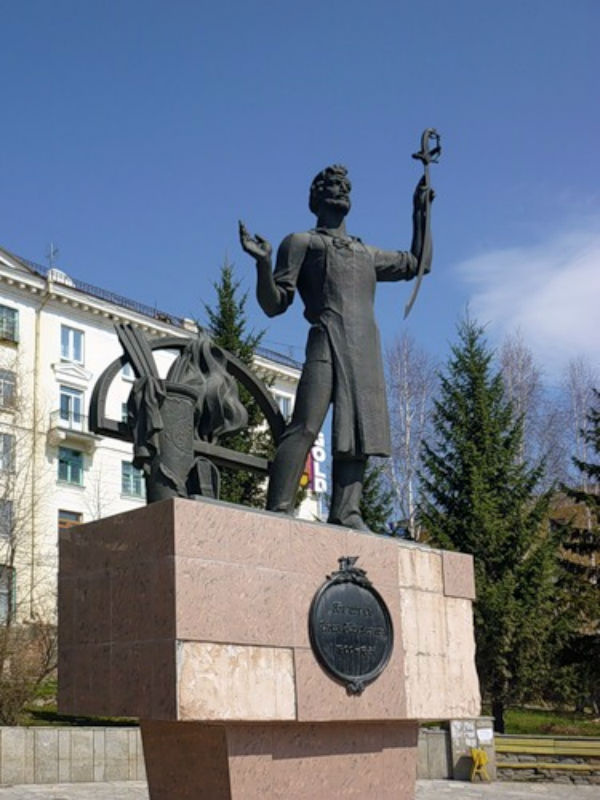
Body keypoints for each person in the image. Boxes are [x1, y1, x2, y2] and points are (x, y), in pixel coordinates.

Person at [239, 164, 433, 530]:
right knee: (305, 424)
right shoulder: (302, 243)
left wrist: (421, 212)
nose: (341, 189)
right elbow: (274, 304)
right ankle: (279, 508)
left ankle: (347, 511)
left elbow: (418, 264)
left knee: (361, 431)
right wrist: (263, 265)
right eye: (332, 185)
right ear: (316, 197)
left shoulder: (366, 252)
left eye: (346, 185)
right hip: (326, 338)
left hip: (365, 348)